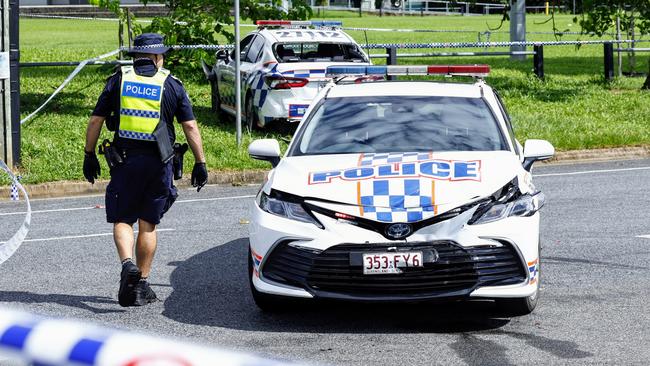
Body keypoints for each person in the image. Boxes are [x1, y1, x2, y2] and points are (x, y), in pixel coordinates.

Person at [82, 33, 208, 307]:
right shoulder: (172, 85)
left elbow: (96, 121)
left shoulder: (118, 80)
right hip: (159, 163)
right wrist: (200, 162)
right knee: (148, 224)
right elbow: (190, 127)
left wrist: (89, 154)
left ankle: (128, 264)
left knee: (123, 219)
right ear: (156, 57)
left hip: (124, 163)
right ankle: (141, 285)